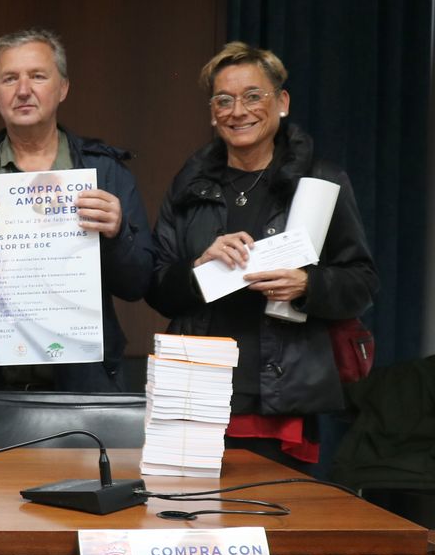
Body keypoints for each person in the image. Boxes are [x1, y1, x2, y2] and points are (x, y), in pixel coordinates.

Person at [0, 29, 154, 438]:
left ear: (63, 88)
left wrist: (117, 236)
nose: (23, 90)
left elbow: (138, 283)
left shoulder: (104, 174)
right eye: (10, 79)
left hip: (81, 394)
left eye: (38, 77)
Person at [147, 42, 377, 469]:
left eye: (254, 96)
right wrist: (196, 269)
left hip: (279, 395)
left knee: (275, 524)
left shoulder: (322, 181)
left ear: (282, 102)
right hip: (196, 389)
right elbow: (157, 286)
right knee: (187, 522)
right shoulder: (189, 184)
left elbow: (361, 282)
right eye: (224, 100)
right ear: (212, 111)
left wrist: (309, 284)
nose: (239, 111)